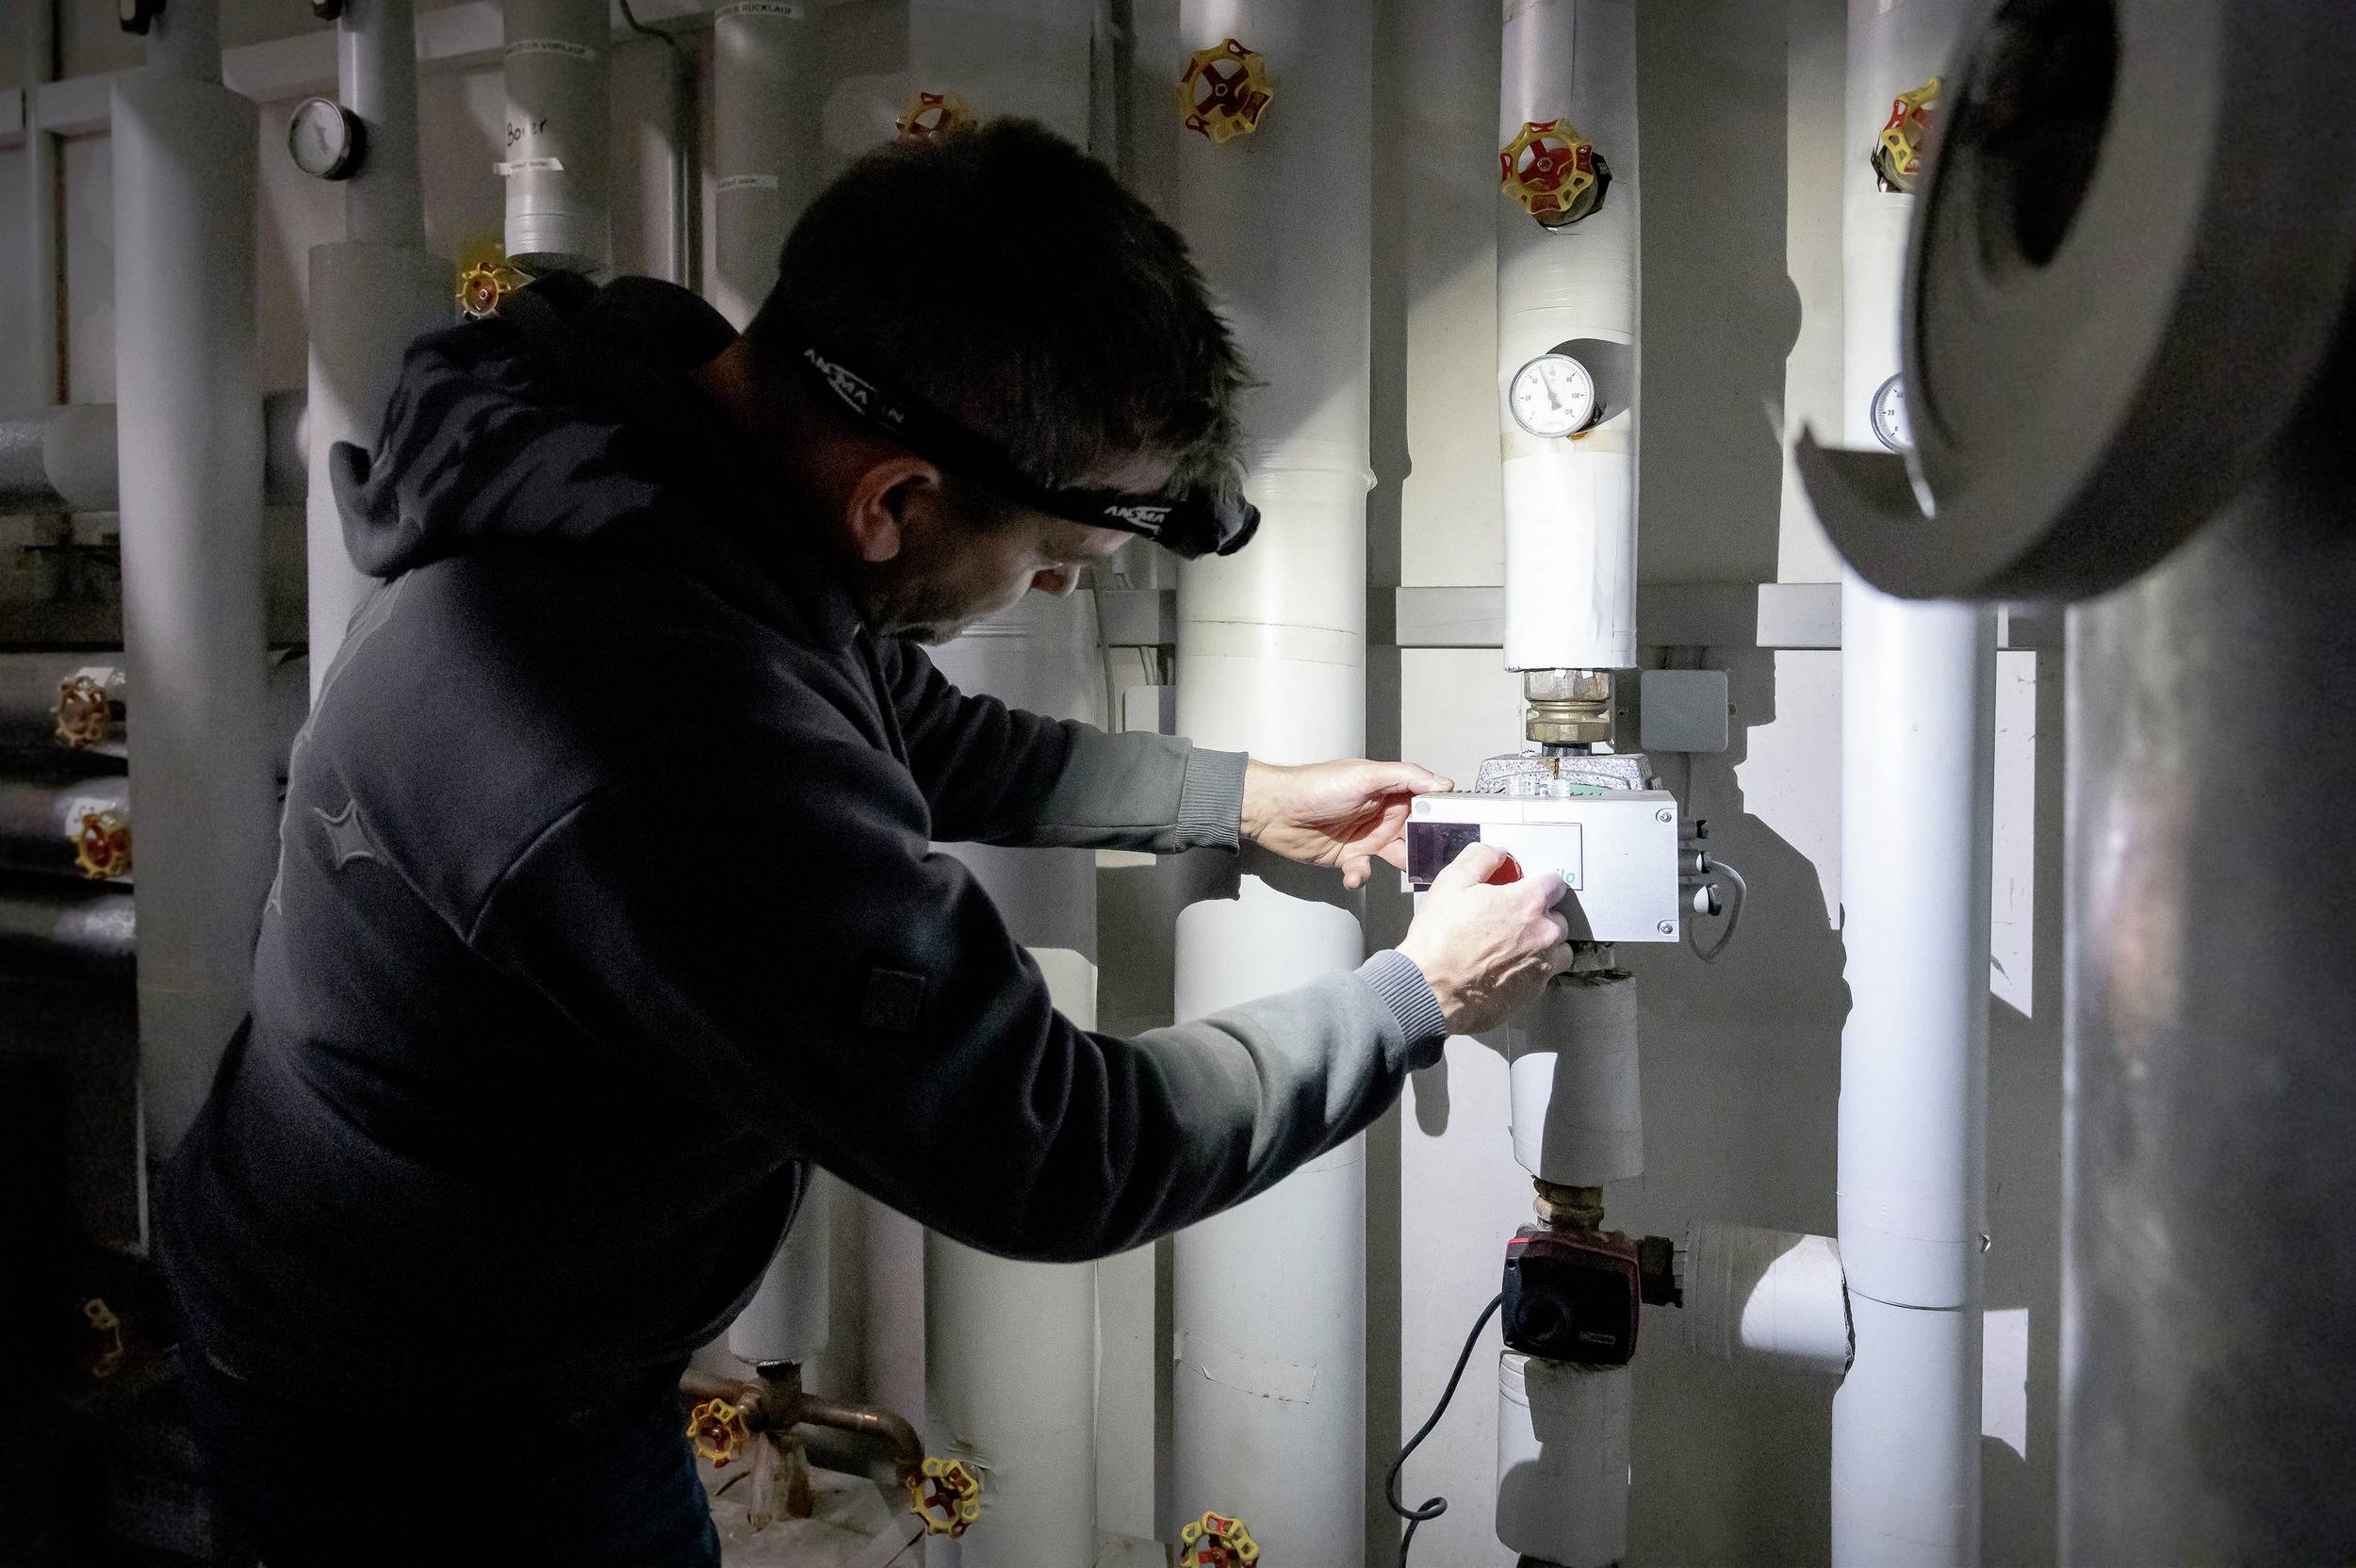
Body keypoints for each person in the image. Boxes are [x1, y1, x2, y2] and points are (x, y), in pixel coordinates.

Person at [159, 118, 1573, 1566]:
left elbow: (902, 724)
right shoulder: (663, 741)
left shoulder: (630, 466)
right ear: (892, 499)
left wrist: (1241, 794)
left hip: (429, 1294)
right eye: (1052, 563)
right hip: (431, 1414)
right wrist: (1419, 995)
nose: (1040, 588)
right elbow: (1059, 1148)